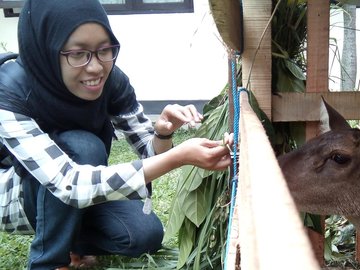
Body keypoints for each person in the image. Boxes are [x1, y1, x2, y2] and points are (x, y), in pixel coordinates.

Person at [0, 0, 233, 269]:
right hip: (16, 195)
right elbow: (68, 183)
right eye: (78, 54)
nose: (96, 68)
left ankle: (73, 242)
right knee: (84, 145)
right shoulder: (10, 91)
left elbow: (147, 150)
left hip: (79, 192)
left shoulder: (111, 81)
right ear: (47, 50)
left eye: (104, 49)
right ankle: (49, 261)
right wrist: (179, 158)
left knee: (144, 234)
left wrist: (163, 133)